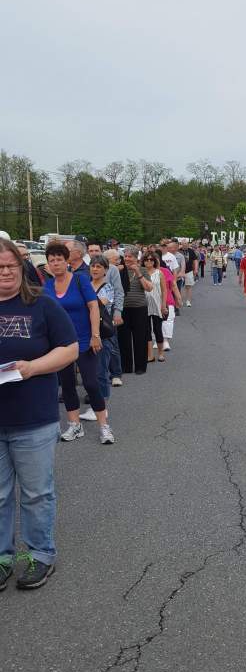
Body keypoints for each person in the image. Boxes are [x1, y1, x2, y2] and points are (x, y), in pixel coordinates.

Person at [0, 239, 78, 590]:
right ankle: (2, 557)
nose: (5, 274)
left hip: (33, 417)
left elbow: (70, 348)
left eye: (10, 267)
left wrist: (33, 367)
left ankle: (39, 554)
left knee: (35, 493)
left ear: (21, 267)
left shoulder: (42, 304)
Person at [43, 241, 114, 443]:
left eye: (59, 259)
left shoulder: (80, 280)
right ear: (47, 264)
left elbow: (93, 307)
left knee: (91, 384)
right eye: (51, 260)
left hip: (84, 340)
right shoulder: (47, 286)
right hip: (60, 344)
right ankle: (75, 425)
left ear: (67, 261)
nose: (55, 263)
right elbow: (46, 315)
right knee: (66, 385)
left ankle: (104, 426)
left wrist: (95, 335)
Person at [81, 255, 116, 422]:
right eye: (93, 266)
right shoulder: (85, 285)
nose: (95, 269)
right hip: (85, 331)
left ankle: (102, 407)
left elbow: (98, 304)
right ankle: (96, 405)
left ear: (105, 270)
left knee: (101, 371)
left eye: (99, 267)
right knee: (90, 372)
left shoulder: (107, 287)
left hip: (102, 334)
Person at [117, 245, 153, 374]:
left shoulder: (143, 270)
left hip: (139, 308)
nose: (127, 259)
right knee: (123, 338)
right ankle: (126, 366)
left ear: (136, 257)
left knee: (140, 338)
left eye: (130, 256)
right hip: (122, 308)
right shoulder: (119, 270)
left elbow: (149, 288)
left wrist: (138, 273)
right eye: (125, 256)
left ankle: (140, 367)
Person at [102, 247, 125, 386]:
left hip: (108, 311)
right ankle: (100, 375)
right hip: (91, 311)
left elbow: (119, 291)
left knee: (112, 342)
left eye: (95, 250)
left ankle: (116, 374)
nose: (118, 261)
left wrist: (117, 312)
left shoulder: (112, 269)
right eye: (90, 251)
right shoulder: (88, 269)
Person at [143, 252, 167, 362]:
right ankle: (150, 355)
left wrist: (163, 305)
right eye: (146, 259)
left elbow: (164, 290)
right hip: (144, 304)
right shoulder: (140, 273)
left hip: (157, 304)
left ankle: (161, 353)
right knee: (146, 330)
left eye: (151, 260)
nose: (149, 261)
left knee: (158, 329)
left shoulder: (159, 273)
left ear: (154, 261)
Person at [155, 248, 180, 351]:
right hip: (153, 301)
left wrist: (178, 298)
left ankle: (165, 340)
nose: (151, 261)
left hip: (168, 299)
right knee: (155, 321)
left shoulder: (165, 270)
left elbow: (173, 285)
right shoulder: (145, 272)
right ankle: (157, 340)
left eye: (154, 259)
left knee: (168, 320)